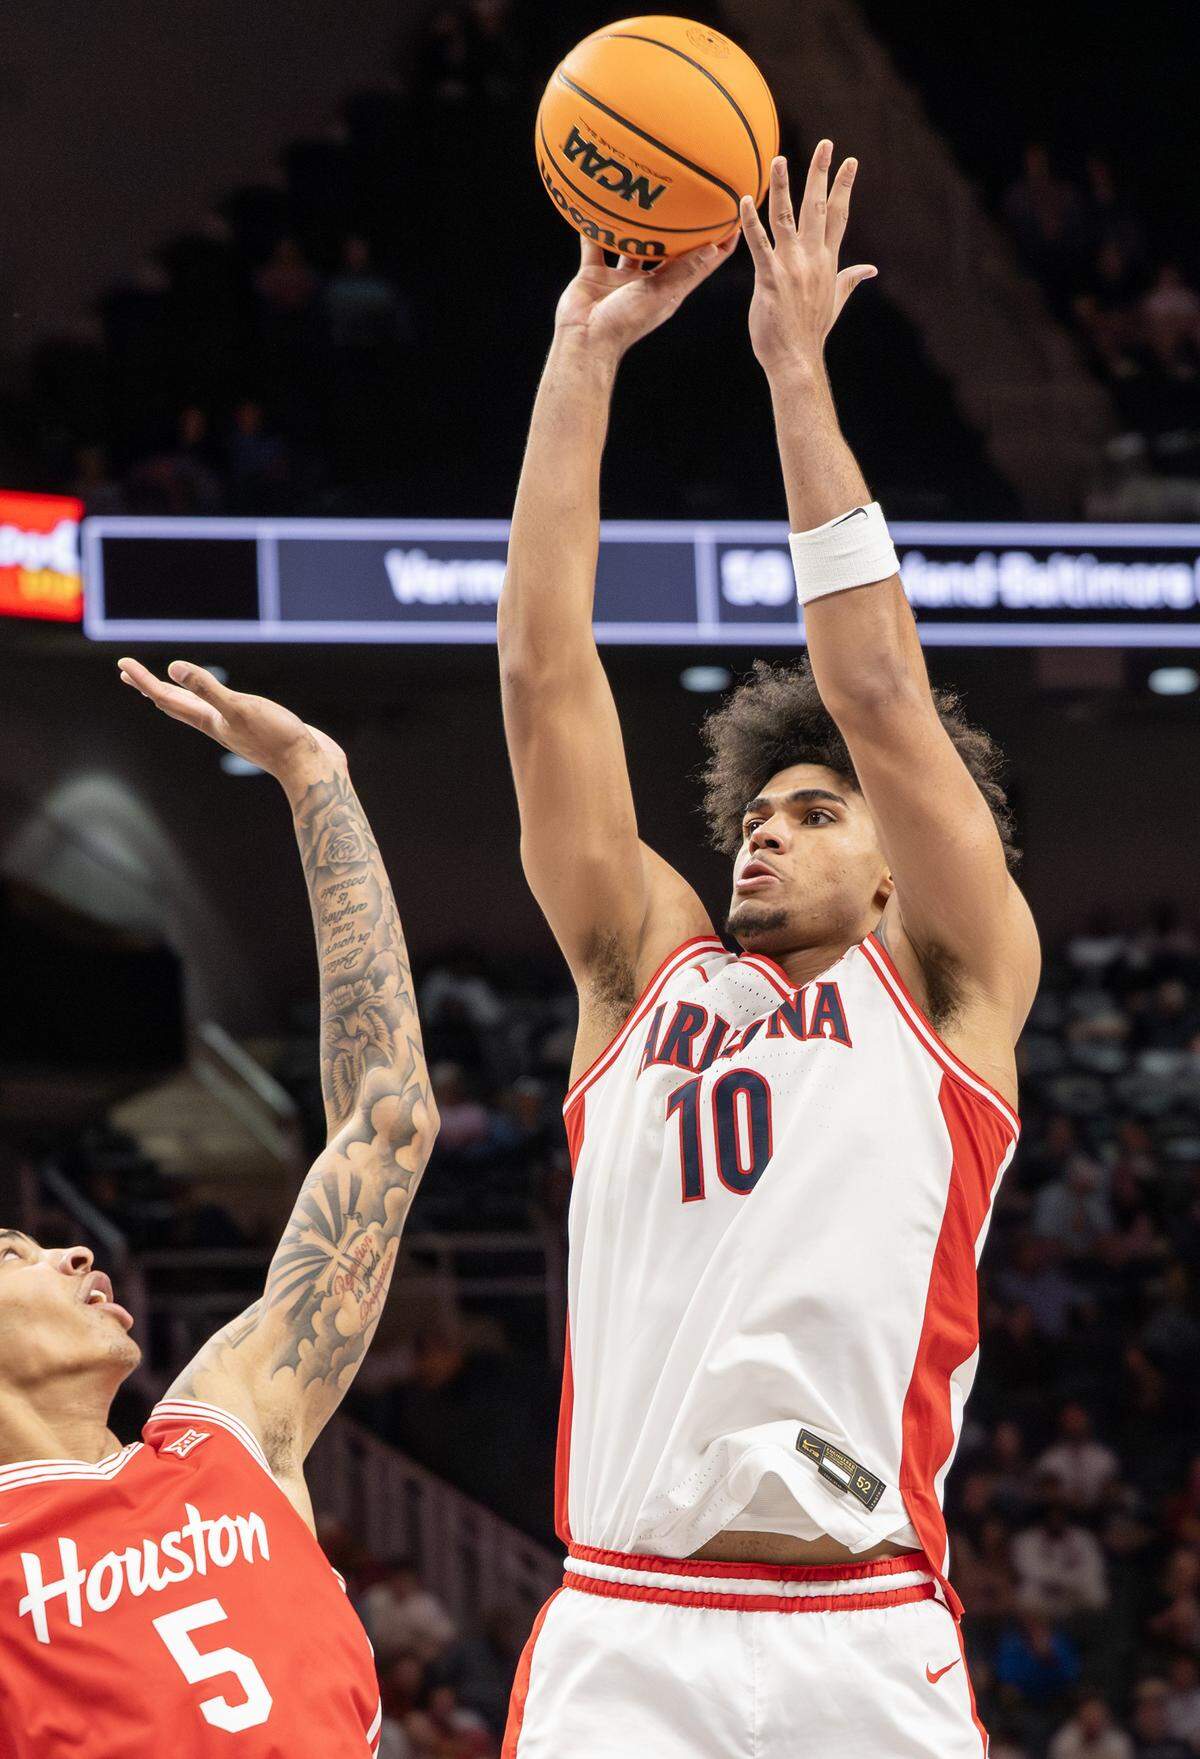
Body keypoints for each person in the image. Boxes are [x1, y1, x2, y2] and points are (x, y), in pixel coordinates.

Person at [497, 141, 1040, 1757]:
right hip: (628, 1620)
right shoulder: (640, 968)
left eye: (817, 812)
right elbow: (541, 671)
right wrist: (577, 357)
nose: (768, 831)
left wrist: (795, 372)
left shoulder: (946, 986)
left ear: (894, 863)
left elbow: (877, 689)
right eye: (760, 809)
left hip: (861, 1629)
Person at [0, 660, 439, 1754]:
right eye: (12, 1252)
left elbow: (384, 1126)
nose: (67, 1250)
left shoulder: (226, 1424)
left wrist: (314, 774)